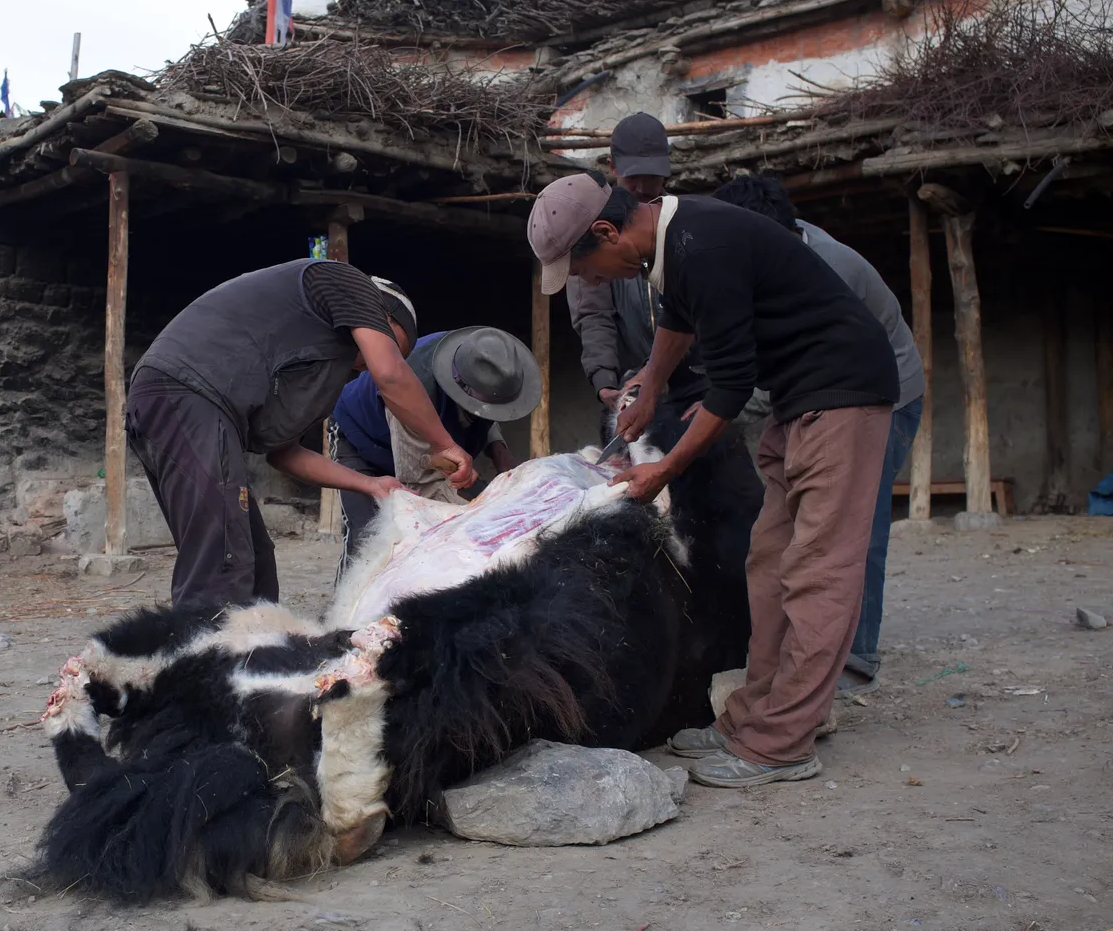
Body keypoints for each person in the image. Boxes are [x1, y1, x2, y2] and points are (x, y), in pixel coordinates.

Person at [527, 172, 898, 788]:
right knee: (769, 561)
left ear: (608, 231)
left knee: (818, 571)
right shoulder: (675, 242)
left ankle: (782, 745)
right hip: (798, 399)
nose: (590, 280)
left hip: (841, 397)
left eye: (585, 266)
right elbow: (677, 321)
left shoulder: (704, 245)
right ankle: (751, 717)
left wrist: (666, 468)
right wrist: (649, 386)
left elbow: (728, 386)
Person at [127, 258, 477, 608]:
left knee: (255, 562)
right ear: (386, 317)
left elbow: (284, 454)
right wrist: (443, 444)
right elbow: (391, 375)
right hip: (185, 394)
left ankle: (255, 642)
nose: (370, 366)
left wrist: (370, 484)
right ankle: (201, 641)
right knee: (222, 563)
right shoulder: (347, 282)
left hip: (184, 407)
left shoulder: (322, 367)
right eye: (395, 346)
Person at [711, 175, 926, 696]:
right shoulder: (773, 252)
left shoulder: (825, 267)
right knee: (793, 536)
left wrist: (716, 414)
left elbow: (803, 361)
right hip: (821, 392)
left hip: (882, 393)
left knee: (855, 529)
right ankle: (799, 654)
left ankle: (856, 658)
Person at [329, 326, 541, 569]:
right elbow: (421, 484)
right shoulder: (412, 390)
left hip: (418, 450)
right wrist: (486, 514)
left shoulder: (480, 360)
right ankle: (352, 595)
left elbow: (486, 409)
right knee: (368, 540)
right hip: (361, 437)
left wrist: (499, 450)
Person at [566, 112, 707, 423]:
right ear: (612, 167)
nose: (644, 187)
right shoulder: (595, 236)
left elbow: (704, 310)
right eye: (634, 177)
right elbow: (593, 314)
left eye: (653, 177)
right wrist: (604, 379)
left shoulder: (688, 225)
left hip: (701, 385)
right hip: (635, 389)